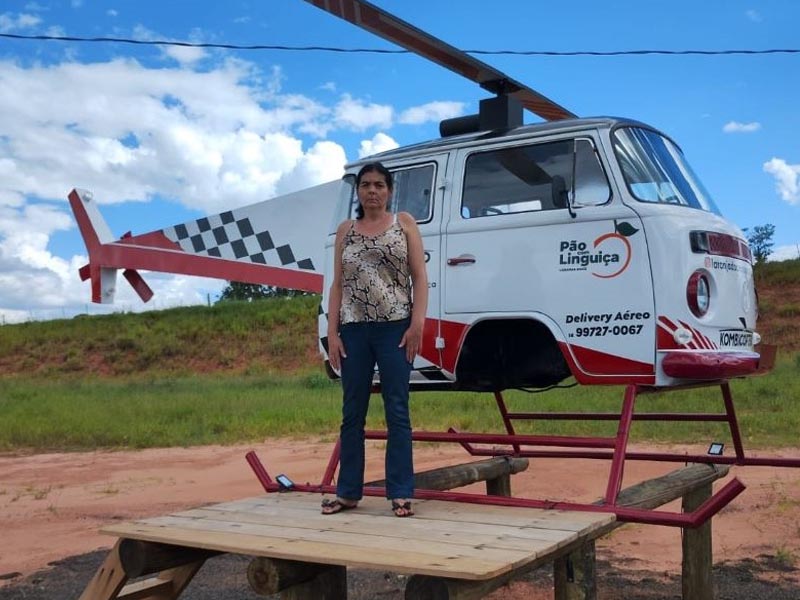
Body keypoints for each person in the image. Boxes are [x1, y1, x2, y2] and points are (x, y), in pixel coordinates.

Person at [322, 162, 428, 518]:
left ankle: (400, 492)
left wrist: (417, 324)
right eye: (365, 185)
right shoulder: (345, 230)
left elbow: (420, 278)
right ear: (358, 191)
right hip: (353, 330)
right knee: (352, 413)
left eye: (379, 185)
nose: (372, 191)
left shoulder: (405, 224)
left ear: (389, 190)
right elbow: (338, 284)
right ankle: (348, 492)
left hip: (395, 328)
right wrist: (331, 332)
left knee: (397, 410)